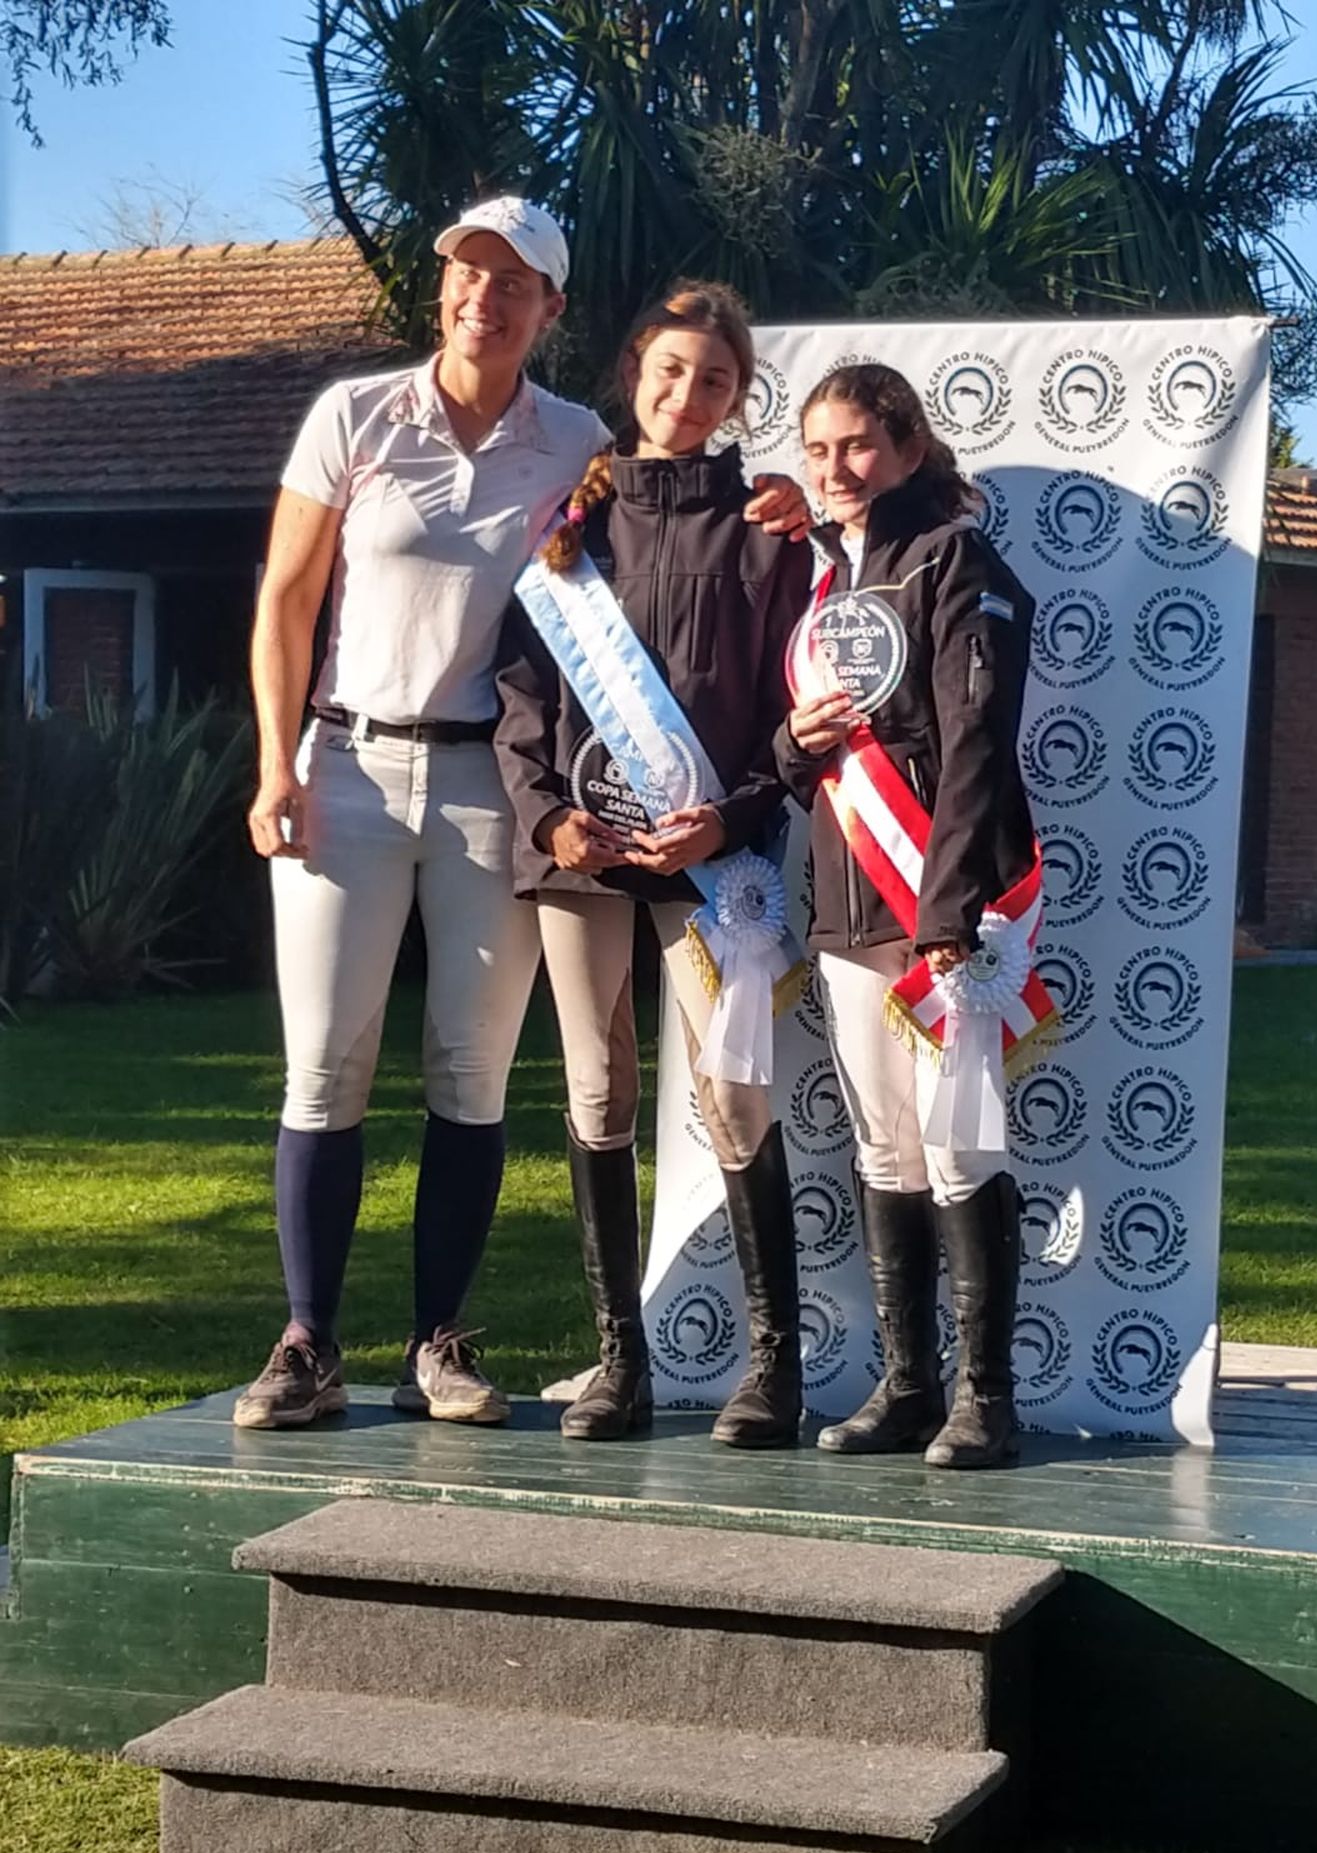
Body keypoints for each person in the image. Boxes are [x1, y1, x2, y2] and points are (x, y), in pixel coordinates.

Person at [234, 199, 803, 1432]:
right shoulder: (353, 415)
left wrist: (790, 506)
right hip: (344, 765)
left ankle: (439, 1340)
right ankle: (307, 1341)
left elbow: (656, 571)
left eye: (512, 282)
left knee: (469, 1070)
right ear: (441, 287)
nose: (481, 296)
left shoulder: (581, 446)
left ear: (550, 307)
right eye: (465, 273)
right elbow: (286, 597)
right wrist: (275, 764)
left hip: (495, 790)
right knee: (325, 1065)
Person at [495, 282, 812, 1449]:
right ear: (634, 371)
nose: (688, 396)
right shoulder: (567, 531)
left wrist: (731, 818)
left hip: (709, 864)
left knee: (734, 1099)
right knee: (599, 1092)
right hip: (584, 859)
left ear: (740, 399)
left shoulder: (771, 531)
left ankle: (771, 1368)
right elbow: (522, 696)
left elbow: (800, 707)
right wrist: (547, 822)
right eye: (670, 371)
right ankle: (618, 1366)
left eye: (715, 380)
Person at [777, 363, 1039, 1470]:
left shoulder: (957, 560)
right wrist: (796, 742)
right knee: (885, 1141)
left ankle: (988, 1396)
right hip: (846, 903)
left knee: (957, 1139)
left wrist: (948, 908)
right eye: (819, 449)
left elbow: (975, 745)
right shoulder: (827, 582)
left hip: (946, 905)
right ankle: (906, 1385)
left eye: (858, 447)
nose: (836, 470)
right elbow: (800, 752)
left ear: (910, 446)